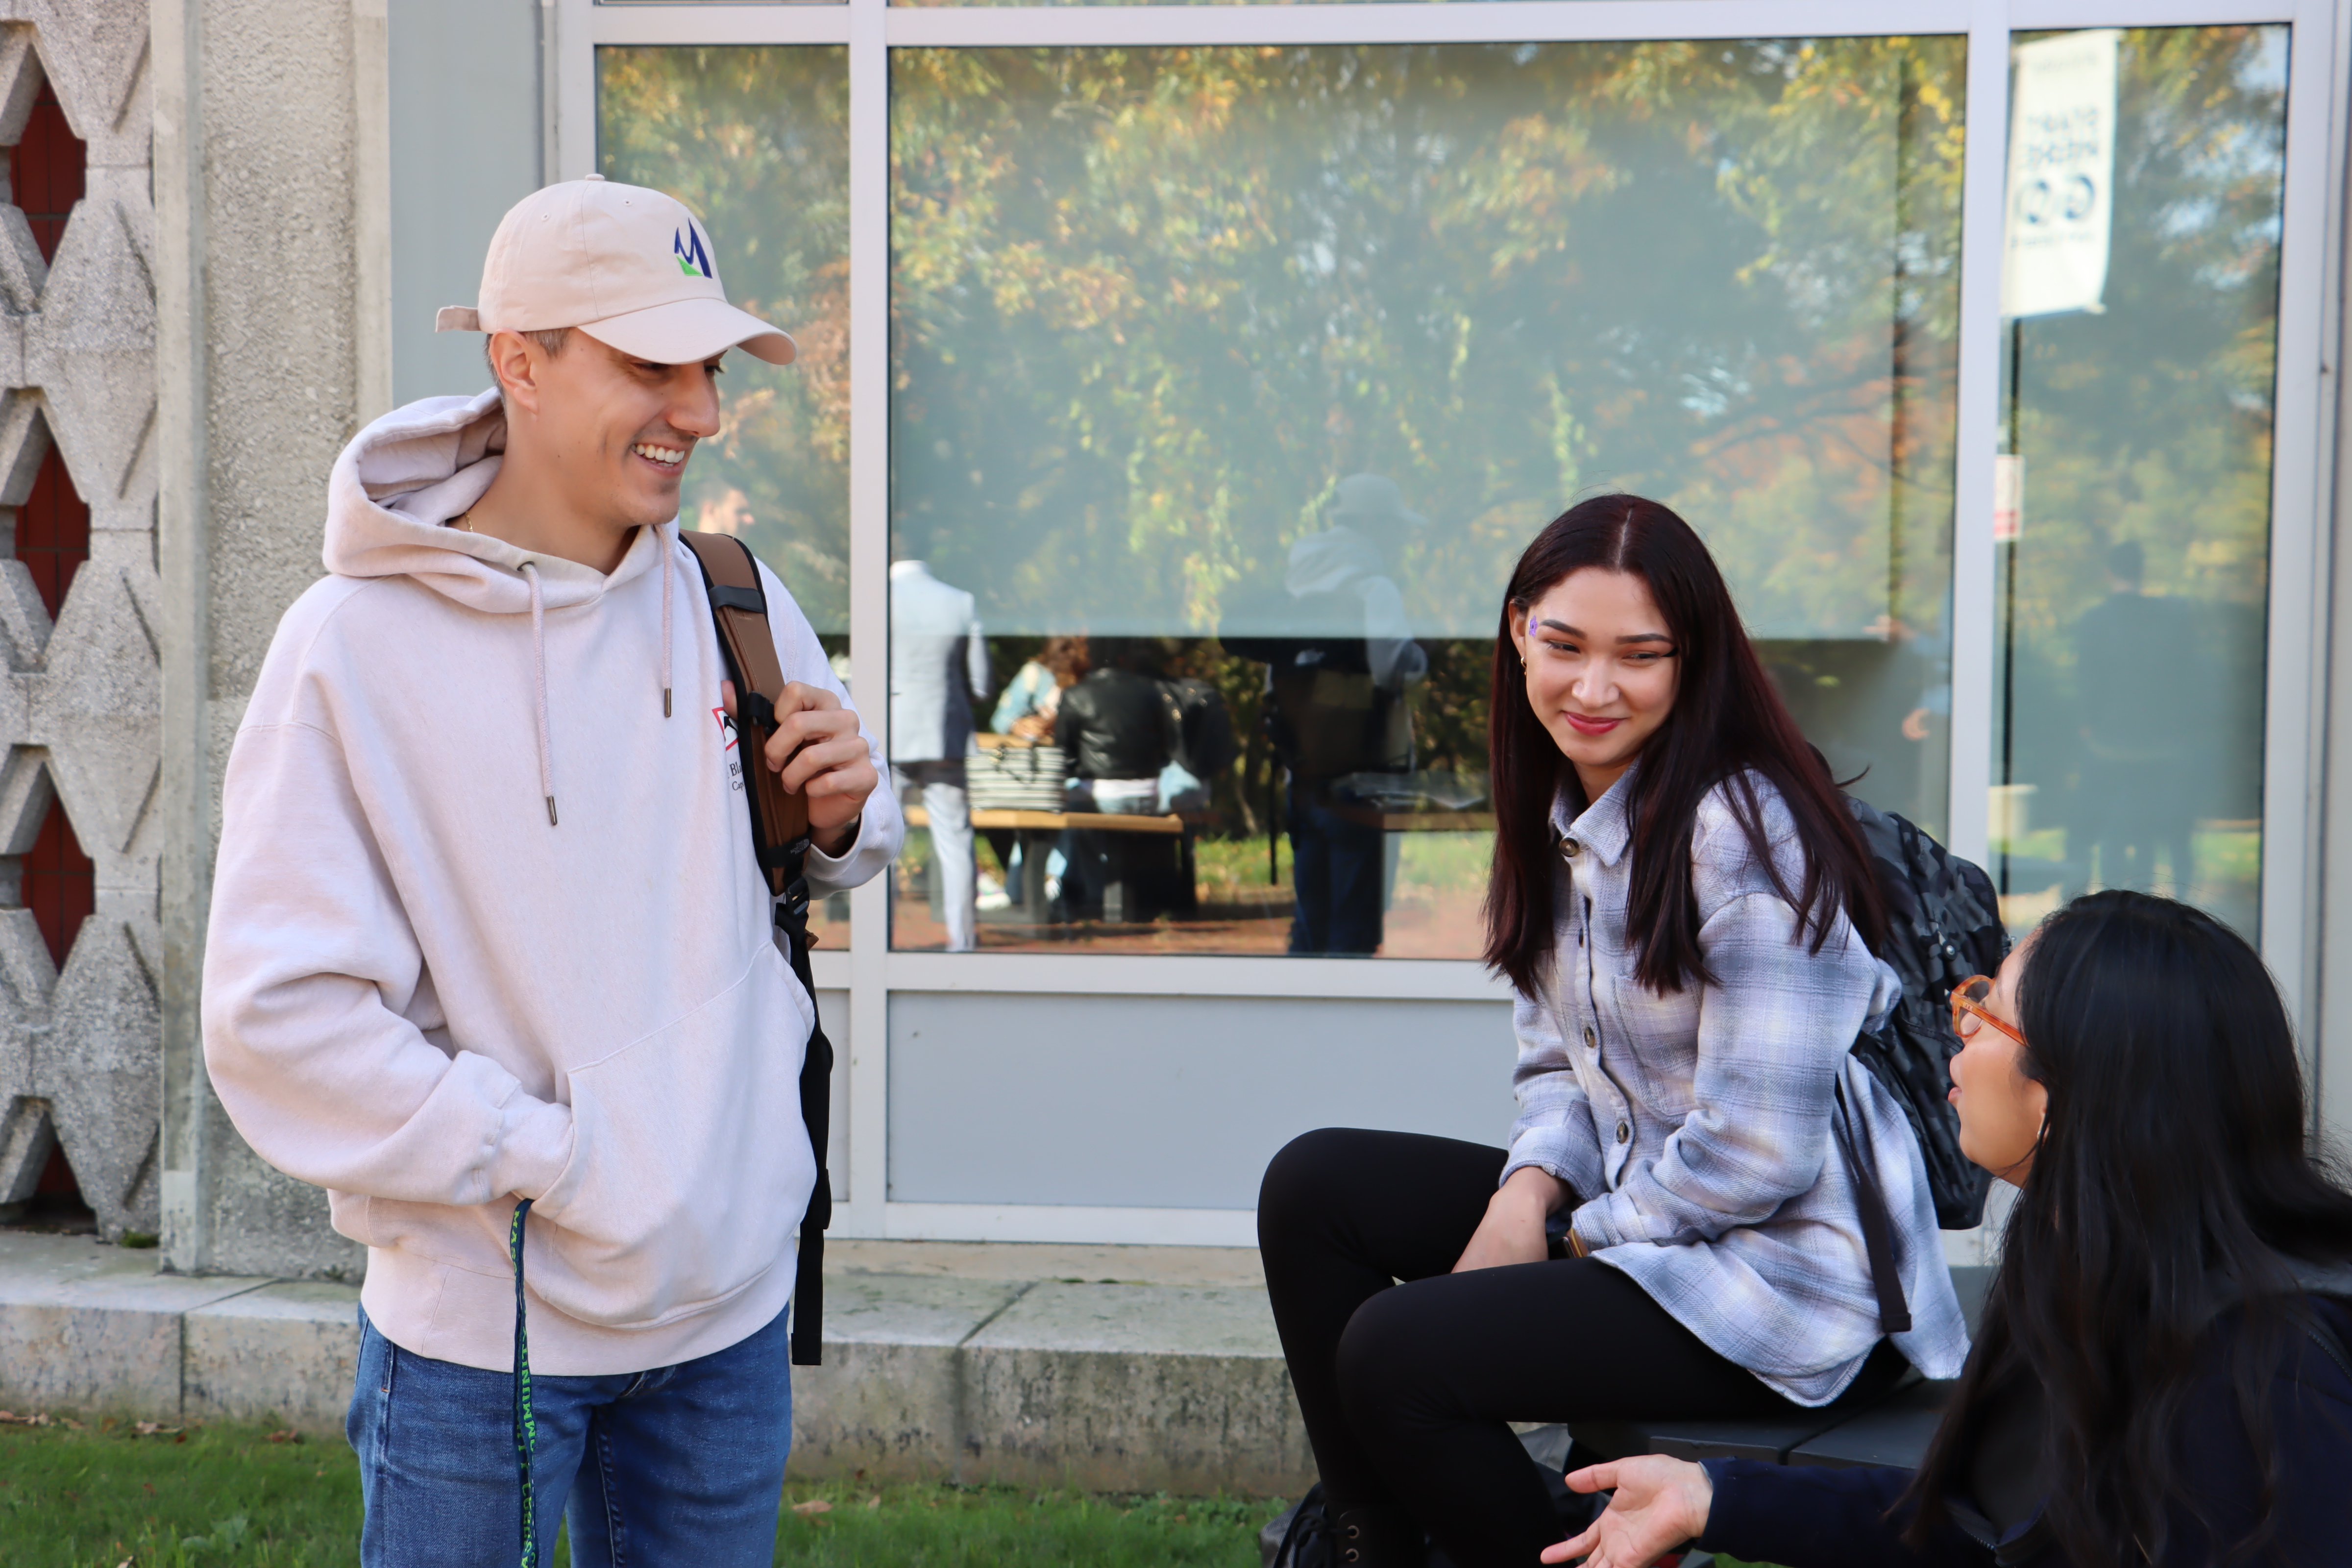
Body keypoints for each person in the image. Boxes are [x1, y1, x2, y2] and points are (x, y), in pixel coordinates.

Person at [200, 176, 902, 1567]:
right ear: (519, 359)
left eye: (705, 368)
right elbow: (278, 1020)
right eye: (653, 362)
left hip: (729, 1318)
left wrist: (840, 816)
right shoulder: (349, 648)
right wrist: (552, 1160)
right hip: (483, 1339)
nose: (699, 410)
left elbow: (826, 859)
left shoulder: (732, 596)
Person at [1256, 493, 1967, 1567]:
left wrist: (1565, 1237)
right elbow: (1556, 1068)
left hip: (1782, 1288)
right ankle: (1372, 1546)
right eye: (1566, 645)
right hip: (1659, 1226)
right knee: (1316, 1188)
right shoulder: (1564, 814)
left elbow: (1759, 1155)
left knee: (1397, 1353)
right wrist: (1527, 1192)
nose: (1595, 688)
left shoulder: (1749, 833)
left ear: (1693, 663)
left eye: (1640, 655)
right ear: (1519, 634)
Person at [1552, 889, 2352, 1568]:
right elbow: (1988, 1525)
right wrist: (1713, 1496)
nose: (1959, 1029)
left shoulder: (2261, 1373)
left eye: (1989, 1012)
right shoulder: (2084, 1260)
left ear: (2069, 1089)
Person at [1255, 473, 1429, 954]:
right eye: (1394, 527)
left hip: (1305, 780)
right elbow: (1393, 667)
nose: (1400, 537)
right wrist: (1424, 658)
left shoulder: (1292, 596)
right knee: (1355, 927)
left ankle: (1298, 1025)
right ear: (1373, 525)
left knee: (1310, 925)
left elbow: (1276, 688)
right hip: (1364, 782)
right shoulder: (1373, 589)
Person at [2072, 540, 2202, 898]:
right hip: (2160, 743)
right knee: (2148, 824)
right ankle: (2148, 898)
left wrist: (2088, 723)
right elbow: (2186, 677)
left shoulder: (2096, 621)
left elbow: (2089, 679)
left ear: (2110, 572)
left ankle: (2113, 900)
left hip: (2109, 743)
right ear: (2142, 570)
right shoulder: (2171, 619)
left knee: (2111, 823)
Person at [890, 554, 990, 952]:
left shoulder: (877, 598)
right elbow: (981, 683)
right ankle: (962, 942)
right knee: (955, 841)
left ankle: (882, 942)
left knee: (882, 839)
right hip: (943, 731)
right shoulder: (960, 601)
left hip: (890, 728)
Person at [991, 634, 1089, 739]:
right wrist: (1018, 725)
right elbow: (1000, 719)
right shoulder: (1035, 674)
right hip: (1037, 750)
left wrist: (1059, 723)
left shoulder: (1092, 680)